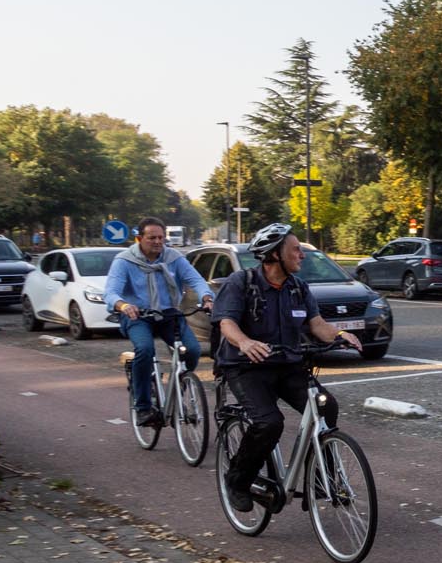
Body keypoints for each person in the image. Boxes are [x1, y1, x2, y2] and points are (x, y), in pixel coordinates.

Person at [213, 222, 362, 513]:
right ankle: (238, 480)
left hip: (288, 366)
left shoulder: (297, 288)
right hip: (247, 368)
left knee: (326, 406)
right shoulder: (241, 283)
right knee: (269, 423)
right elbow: (226, 323)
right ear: (274, 254)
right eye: (295, 250)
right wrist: (244, 342)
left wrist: (341, 335)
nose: (302, 255)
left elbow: (317, 325)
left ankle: (320, 478)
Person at [105, 216, 213, 426]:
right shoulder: (125, 261)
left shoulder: (173, 258)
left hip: (168, 314)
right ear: (139, 238)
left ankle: (177, 391)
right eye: (151, 237)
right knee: (145, 349)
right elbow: (110, 293)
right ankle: (143, 406)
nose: (157, 242)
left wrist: (207, 298)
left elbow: (196, 280)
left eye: (161, 238)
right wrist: (124, 305)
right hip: (137, 316)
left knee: (192, 350)